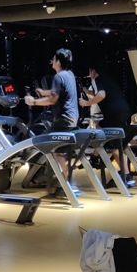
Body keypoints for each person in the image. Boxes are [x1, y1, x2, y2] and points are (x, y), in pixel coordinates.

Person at [25, 48, 79, 195]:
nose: (52, 62)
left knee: (54, 151)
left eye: (54, 59)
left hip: (63, 119)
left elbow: (52, 99)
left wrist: (33, 102)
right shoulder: (69, 74)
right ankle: (64, 182)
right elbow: (58, 91)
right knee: (60, 152)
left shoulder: (58, 76)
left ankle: (65, 183)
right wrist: (44, 92)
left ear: (58, 62)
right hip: (72, 119)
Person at [80, 62, 133, 185]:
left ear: (93, 71)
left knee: (114, 146)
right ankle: (95, 154)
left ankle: (126, 175)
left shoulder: (97, 79)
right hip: (123, 111)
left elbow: (101, 95)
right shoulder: (107, 79)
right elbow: (102, 93)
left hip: (114, 113)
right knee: (99, 128)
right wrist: (87, 91)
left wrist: (86, 103)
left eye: (90, 72)